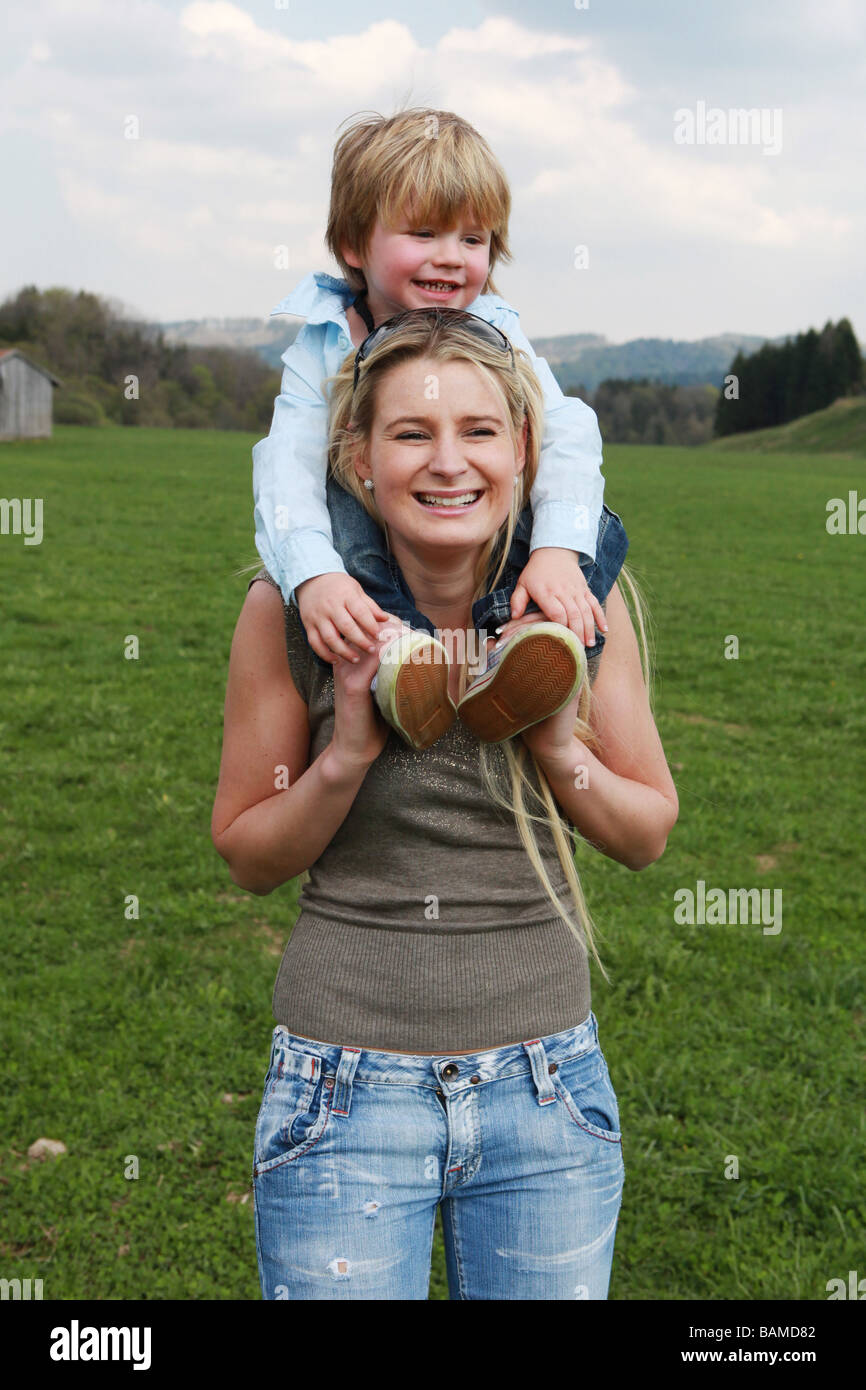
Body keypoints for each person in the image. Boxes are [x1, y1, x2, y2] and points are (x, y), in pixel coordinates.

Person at [212, 310, 679, 1300]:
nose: (446, 461)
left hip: (545, 1093)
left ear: (520, 449)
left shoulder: (579, 609)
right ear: (358, 457)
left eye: (476, 431)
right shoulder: (289, 611)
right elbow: (248, 855)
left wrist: (554, 740)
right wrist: (343, 757)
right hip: (341, 1093)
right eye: (410, 433)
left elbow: (645, 832)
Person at [250, 107, 628, 750]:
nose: (451, 259)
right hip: (373, 538)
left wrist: (557, 552)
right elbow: (286, 464)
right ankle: (396, 655)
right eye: (424, 234)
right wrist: (315, 576)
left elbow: (565, 429)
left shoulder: (498, 331)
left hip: (496, 541)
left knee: (596, 523)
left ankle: (533, 640)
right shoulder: (324, 343)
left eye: (473, 240)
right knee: (337, 512)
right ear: (352, 245)